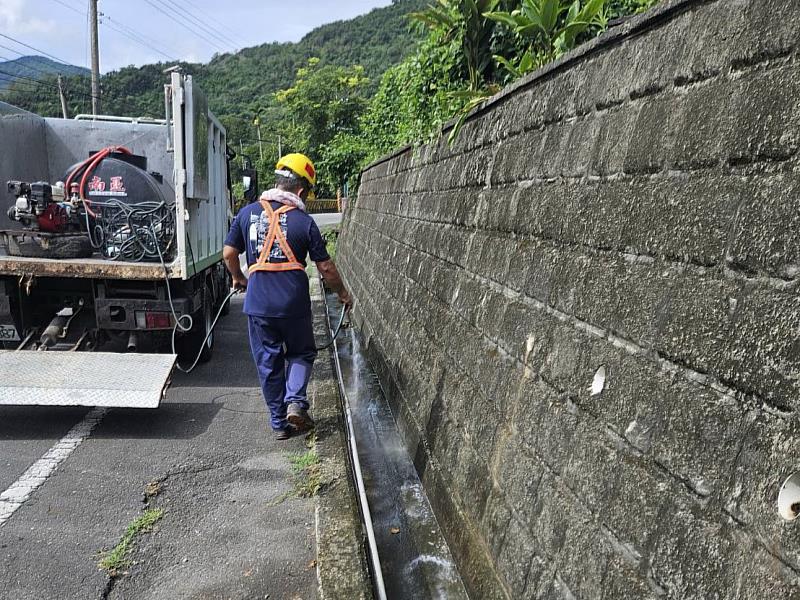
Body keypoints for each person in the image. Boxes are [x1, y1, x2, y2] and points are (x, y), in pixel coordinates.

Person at [223, 153, 351, 440]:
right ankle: (296, 401)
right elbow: (326, 268)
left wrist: (238, 277)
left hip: (258, 304)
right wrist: (343, 293)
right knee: (302, 352)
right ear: (302, 191)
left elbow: (229, 254)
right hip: (293, 302)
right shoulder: (304, 222)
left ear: (278, 181)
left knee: (268, 362)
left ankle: (279, 424)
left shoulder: (247, 213)